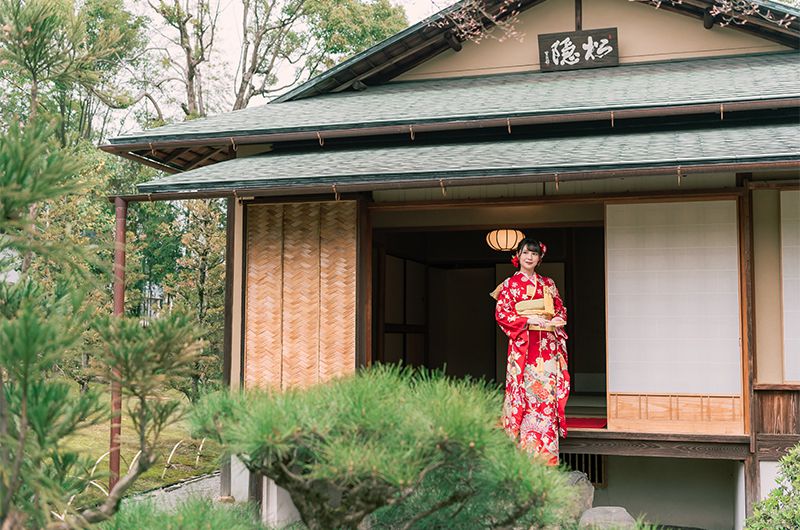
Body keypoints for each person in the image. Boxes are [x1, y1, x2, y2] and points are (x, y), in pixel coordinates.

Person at [493, 238, 570, 465]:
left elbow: (560, 309)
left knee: (545, 396)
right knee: (525, 395)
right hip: (525, 346)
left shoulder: (548, 283)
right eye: (526, 253)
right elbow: (502, 314)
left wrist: (556, 319)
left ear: (540, 258)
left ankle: (547, 454)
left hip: (546, 347)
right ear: (518, 255)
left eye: (534, 254)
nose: (530, 257)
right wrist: (528, 319)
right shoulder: (509, 285)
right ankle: (523, 457)